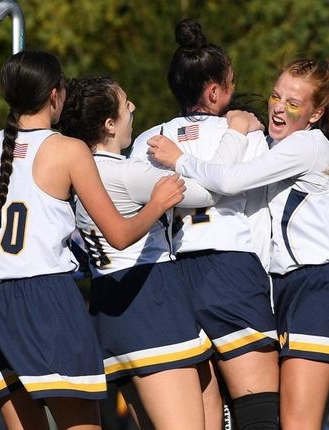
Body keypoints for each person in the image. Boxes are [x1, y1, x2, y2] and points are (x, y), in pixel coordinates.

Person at [0, 50, 186, 430]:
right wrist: (157, 203)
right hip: (45, 299)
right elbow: (120, 234)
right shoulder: (69, 150)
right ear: (53, 95)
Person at [147, 56, 329, 429]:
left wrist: (180, 159)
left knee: (298, 423)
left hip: (315, 287)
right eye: (275, 96)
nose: (279, 108)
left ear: (316, 115)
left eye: (294, 104)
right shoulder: (276, 145)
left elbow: (231, 180)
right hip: (282, 286)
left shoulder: (308, 146)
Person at [59, 75, 263, 429]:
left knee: (209, 400)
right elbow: (209, 192)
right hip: (149, 304)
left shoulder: (78, 173)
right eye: (125, 105)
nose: (133, 107)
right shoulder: (124, 172)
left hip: (111, 307)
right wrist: (236, 132)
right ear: (108, 125)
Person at [129, 19, 279, 429]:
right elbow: (263, 213)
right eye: (230, 84)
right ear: (214, 92)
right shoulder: (244, 129)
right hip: (231, 269)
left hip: (170, 276)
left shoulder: (146, 140)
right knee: (259, 412)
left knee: (203, 417)